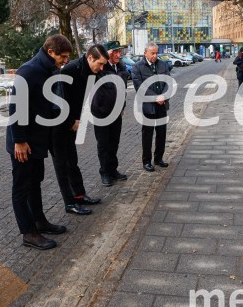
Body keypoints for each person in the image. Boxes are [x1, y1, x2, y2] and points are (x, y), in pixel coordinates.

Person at [7, 34, 73, 251]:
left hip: (37, 140)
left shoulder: (48, 70)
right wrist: (19, 141)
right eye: (62, 56)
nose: (65, 60)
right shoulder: (29, 70)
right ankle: (28, 233)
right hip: (23, 143)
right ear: (51, 51)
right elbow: (16, 107)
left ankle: (39, 221)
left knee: (35, 182)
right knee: (22, 187)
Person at [50, 44, 108, 214]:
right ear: (90, 58)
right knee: (61, 164)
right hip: (57, 125)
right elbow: (59, 102)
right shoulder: (69, 71)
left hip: (72, 122)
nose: (102, 68)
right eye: (100, 64)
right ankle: (69, 203)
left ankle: (79, 195)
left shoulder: (92, 72)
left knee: (72, 161)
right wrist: (70, 122)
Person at [92, 41, 130, 187]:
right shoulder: (100, 68)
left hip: (116, 113)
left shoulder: (121, 68)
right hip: (101, 113)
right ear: (108, 54)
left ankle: (113, 170)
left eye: (120, 52)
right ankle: (105, 172)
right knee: (103, 144)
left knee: (114, 142)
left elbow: (123, 90)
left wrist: (122, 105)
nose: (119, 55)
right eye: (115, 52)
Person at [131, 43, 170, 172]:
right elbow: (140, 87)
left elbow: (168, 82)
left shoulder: (162, 64)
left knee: (161, 134)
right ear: (145, 53)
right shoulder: (137, 67)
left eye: (156, 53)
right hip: (148, 106)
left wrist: (163, 96)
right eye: (152, 53)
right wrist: (155, 98)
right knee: (147, 135)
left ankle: (158, 158)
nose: (155, 55)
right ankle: (146, 161)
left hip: (162, 105)